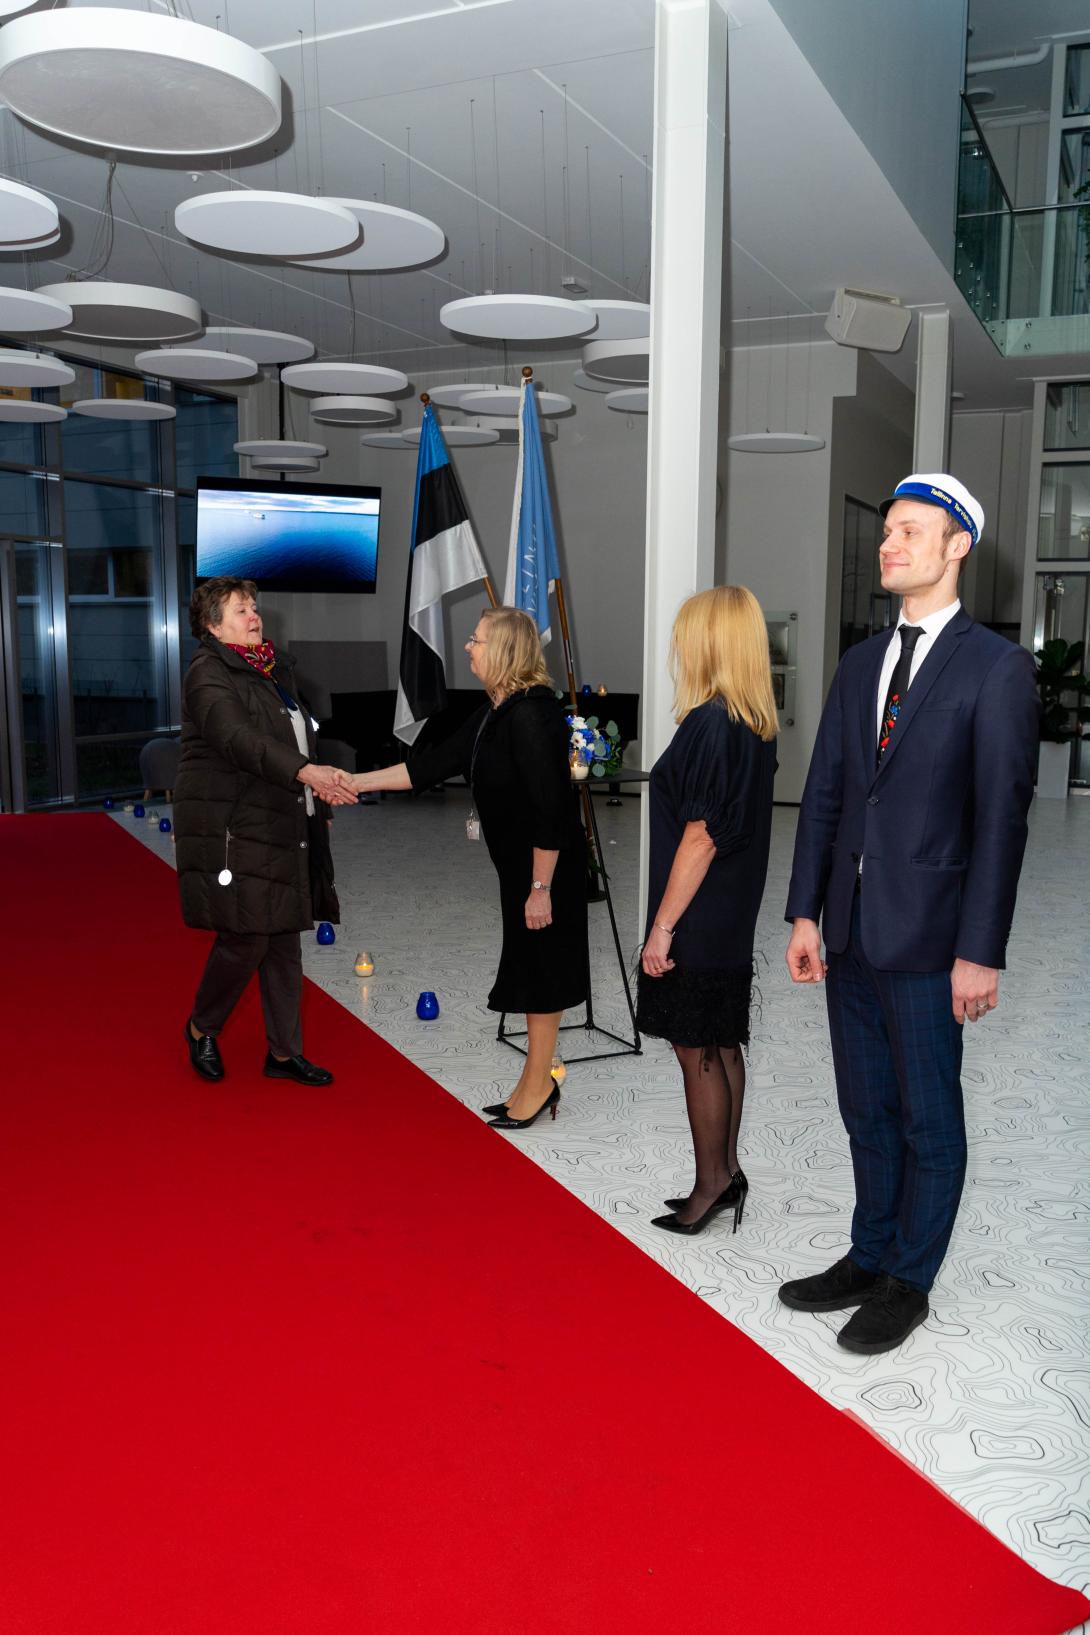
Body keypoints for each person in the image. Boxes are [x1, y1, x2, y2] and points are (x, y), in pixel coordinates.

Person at [781, 472, 1039, 1354]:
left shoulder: (997, 668)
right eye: (887, 529)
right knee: (866, 1106)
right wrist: (805, 911)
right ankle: (869, 1252)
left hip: (933, 938)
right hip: (850, 928)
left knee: (929, 1116)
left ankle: (908, 1279)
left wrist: (981, 950)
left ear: (957, 545)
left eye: (910, 531)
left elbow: (1002, 820)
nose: (889, 544)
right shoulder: (861, 663)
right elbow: (825, 793)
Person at [349, 606, 589, 1127]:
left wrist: (541, 887)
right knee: (533, 971)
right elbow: (429, 767)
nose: (467, 647)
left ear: (504, 651)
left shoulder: (532, 715)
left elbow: (551, 811)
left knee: (544, 974)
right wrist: (355, 782)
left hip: (545, 872)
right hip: (522, 871)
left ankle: (538, 1085)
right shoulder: (496, 711)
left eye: (476, 640)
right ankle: (534, 1081)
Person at [175, 577, 355, 1086]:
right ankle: (201, 1026)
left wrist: (314, 796)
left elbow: (296, 735)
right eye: (241, 610)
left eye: (254, 607)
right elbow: (237, 738)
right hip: (234, 823)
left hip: (282, 815)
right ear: (213, 626)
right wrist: (307, 773)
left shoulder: (271, 669)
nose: (254, 616)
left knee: (282, 939)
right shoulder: (207, 673)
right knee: (247, 936)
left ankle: (283, 1053)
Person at [637, 586, 779, 1235]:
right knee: (722, 1041)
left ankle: (711, 1183)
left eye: (686, 637)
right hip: (731, 911)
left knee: (695, 1046)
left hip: (696, 912)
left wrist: (661, 928)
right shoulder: (753, 724)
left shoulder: (711, 723)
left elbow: (700, 838)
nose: (680, 648)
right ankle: (727, 1171)